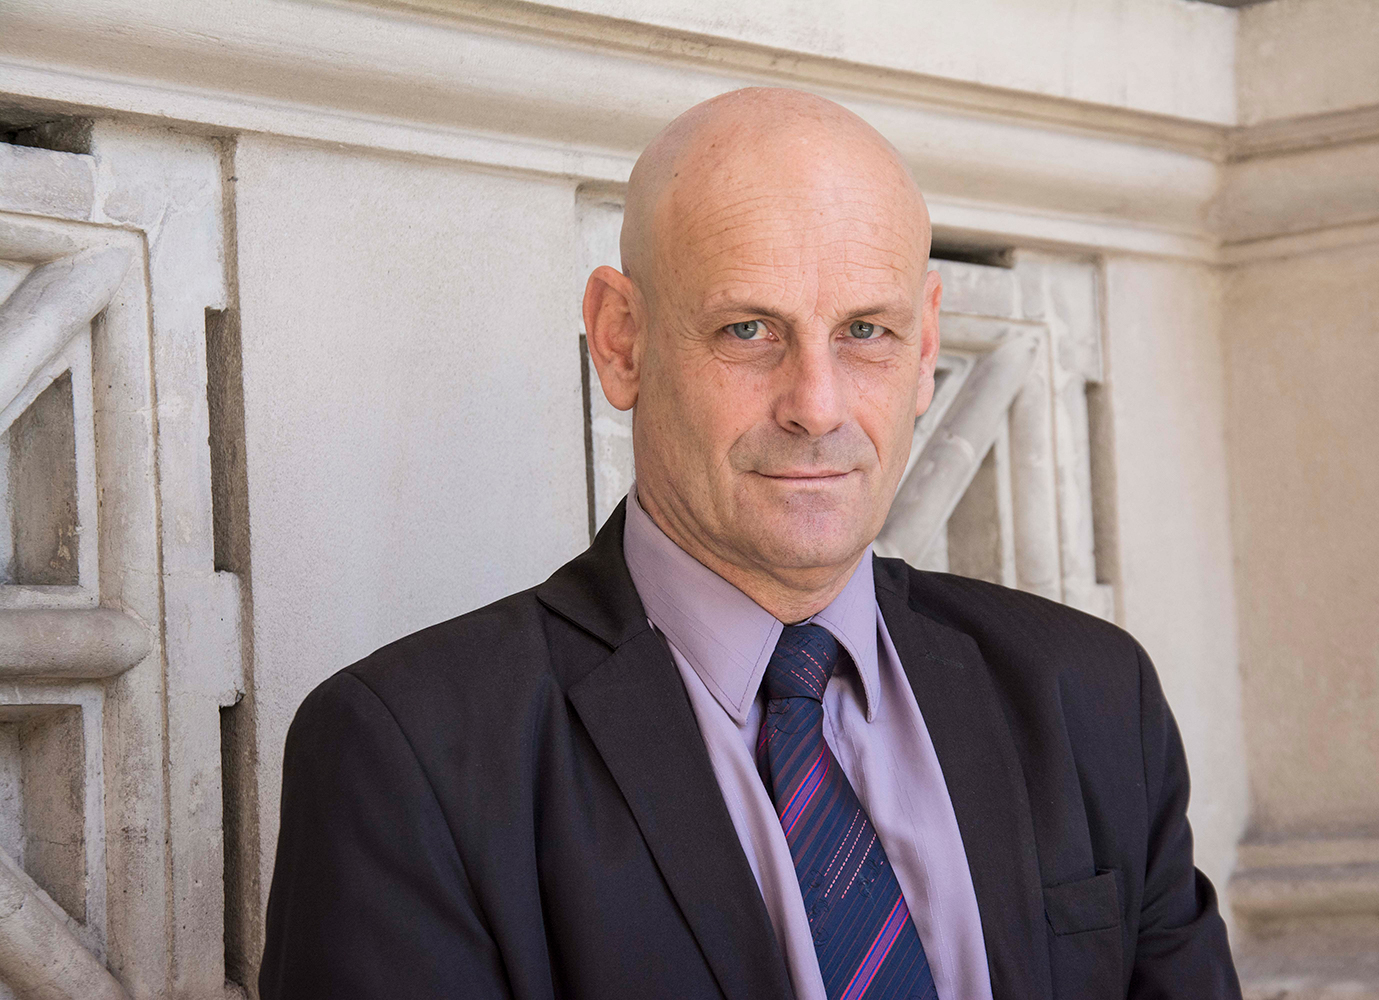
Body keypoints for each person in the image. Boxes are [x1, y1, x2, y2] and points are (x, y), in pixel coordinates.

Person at [259, 87, 1241, 1000]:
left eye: (866, 330)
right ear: (621, 339)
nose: (816, 405)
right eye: (747, 330)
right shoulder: (407, 755)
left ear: (927, 346)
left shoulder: (1092, 697)